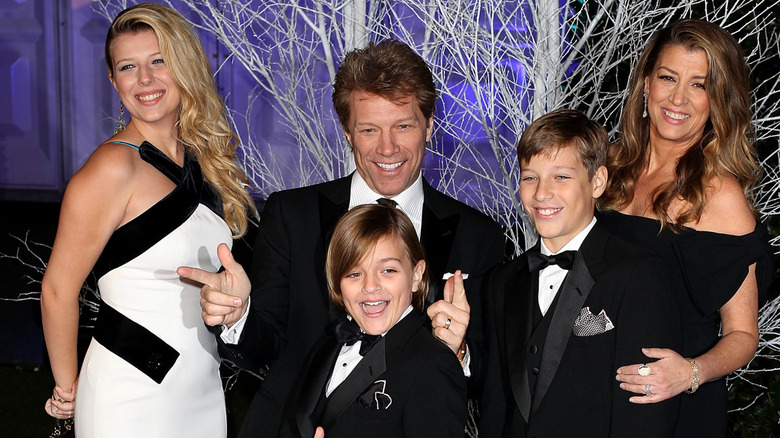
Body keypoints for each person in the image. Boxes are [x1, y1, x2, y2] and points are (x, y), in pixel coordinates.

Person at [178, 39, 506, 437]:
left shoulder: (479, 235)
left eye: (403, 125)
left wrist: (458, 350)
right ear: (348, 132)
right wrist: (237, 316)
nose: (387, 147)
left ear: (429, 125)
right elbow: (263, 344)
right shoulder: (290, 216)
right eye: (369, 129)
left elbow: (489, 375)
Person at [39, 3, 256, 437]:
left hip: (202, 387)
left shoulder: (205, 160)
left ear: (183, 65)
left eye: (158, 61)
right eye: (128, 67)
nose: (144, 79)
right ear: (113, 80)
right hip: (129, 392)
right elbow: (58, 289)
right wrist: (67, 389)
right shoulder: (112, 167)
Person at [598, 19, 776, 437]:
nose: (679, 97)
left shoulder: (719, 195)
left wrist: (690, 373)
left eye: (700, 85)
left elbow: (742, 334)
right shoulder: (606, 168)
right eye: (668, 77)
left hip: (674, 410)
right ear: (645, 84)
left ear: (716, 101)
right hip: (593, 396)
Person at [479, 109, 681, 437]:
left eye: (561, 176)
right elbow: (496, 404)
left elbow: (646, 415)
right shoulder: (503, 281)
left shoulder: (639, 274)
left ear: (597, 181)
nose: (541, 193)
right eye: (530, 177)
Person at [279, 202, 468, 437]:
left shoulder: (433, 366)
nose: (370, 287)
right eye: (354, 273)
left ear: (416, 275)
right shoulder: (325, 347)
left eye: (388, 270)